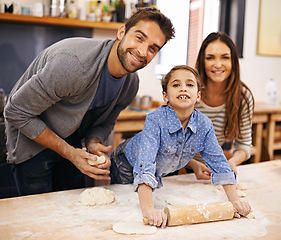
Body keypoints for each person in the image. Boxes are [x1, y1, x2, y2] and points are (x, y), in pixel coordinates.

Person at [3, 7, 175, 196]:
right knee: (38, 218)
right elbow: (15, 111)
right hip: (31, 144)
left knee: (75, 212)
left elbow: (105, 122)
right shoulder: (74, 64)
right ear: (121, 32)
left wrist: (93, 142)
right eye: (139, 38)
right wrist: (70, 153)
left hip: (72, 143)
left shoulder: (130, 84)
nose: (143, 52)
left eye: (153, 48)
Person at [110, 65, 251, 228]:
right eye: (176, 85)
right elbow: (145, 166)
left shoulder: (204, 125)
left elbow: (220, 164)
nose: (183, 88)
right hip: (125, 164)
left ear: (198, 96)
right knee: (125, 208)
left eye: (190, 84)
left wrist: (235, 202)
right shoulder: (155, 120)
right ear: (165, 96)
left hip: (159, 170)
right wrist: (149, 210)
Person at [187, 32, 254, 180]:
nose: (217, 64)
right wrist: (193, 164)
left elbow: (244, 144)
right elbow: (167, 143)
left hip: (214, 170)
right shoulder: (188, 91)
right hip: (179, 168)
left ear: (234, 62)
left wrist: (232, 162)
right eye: (210, 58)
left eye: (225, 57)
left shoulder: (242, 97)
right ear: (202, 62)